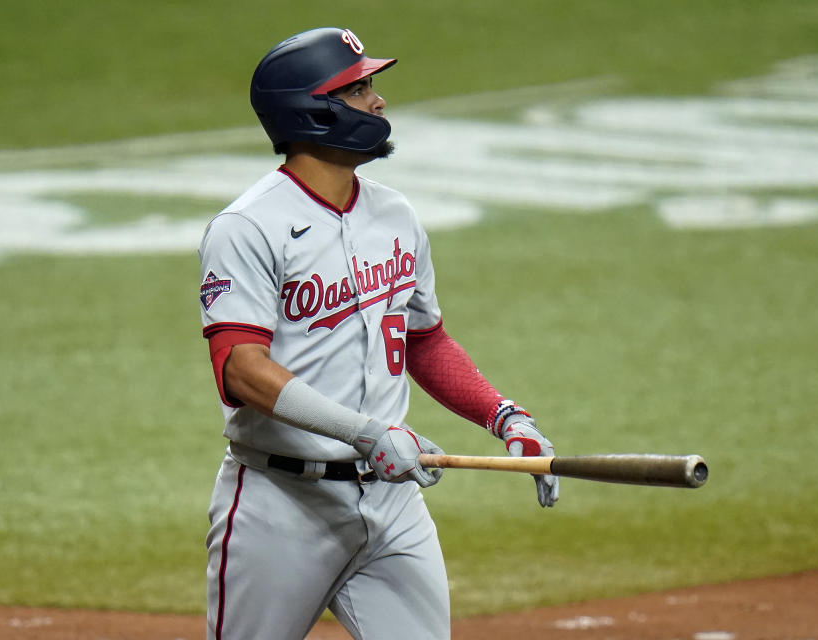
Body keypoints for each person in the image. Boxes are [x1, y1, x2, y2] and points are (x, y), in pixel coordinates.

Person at [197, 27, 559, 640]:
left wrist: (507, 419)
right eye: (359, 88)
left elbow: (425, 341)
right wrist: (365, 433)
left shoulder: (395, 215)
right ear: (314, 110)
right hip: (280, 508)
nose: (378, 102)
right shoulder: (247, 226)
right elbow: (240, 368)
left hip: (393, 502)